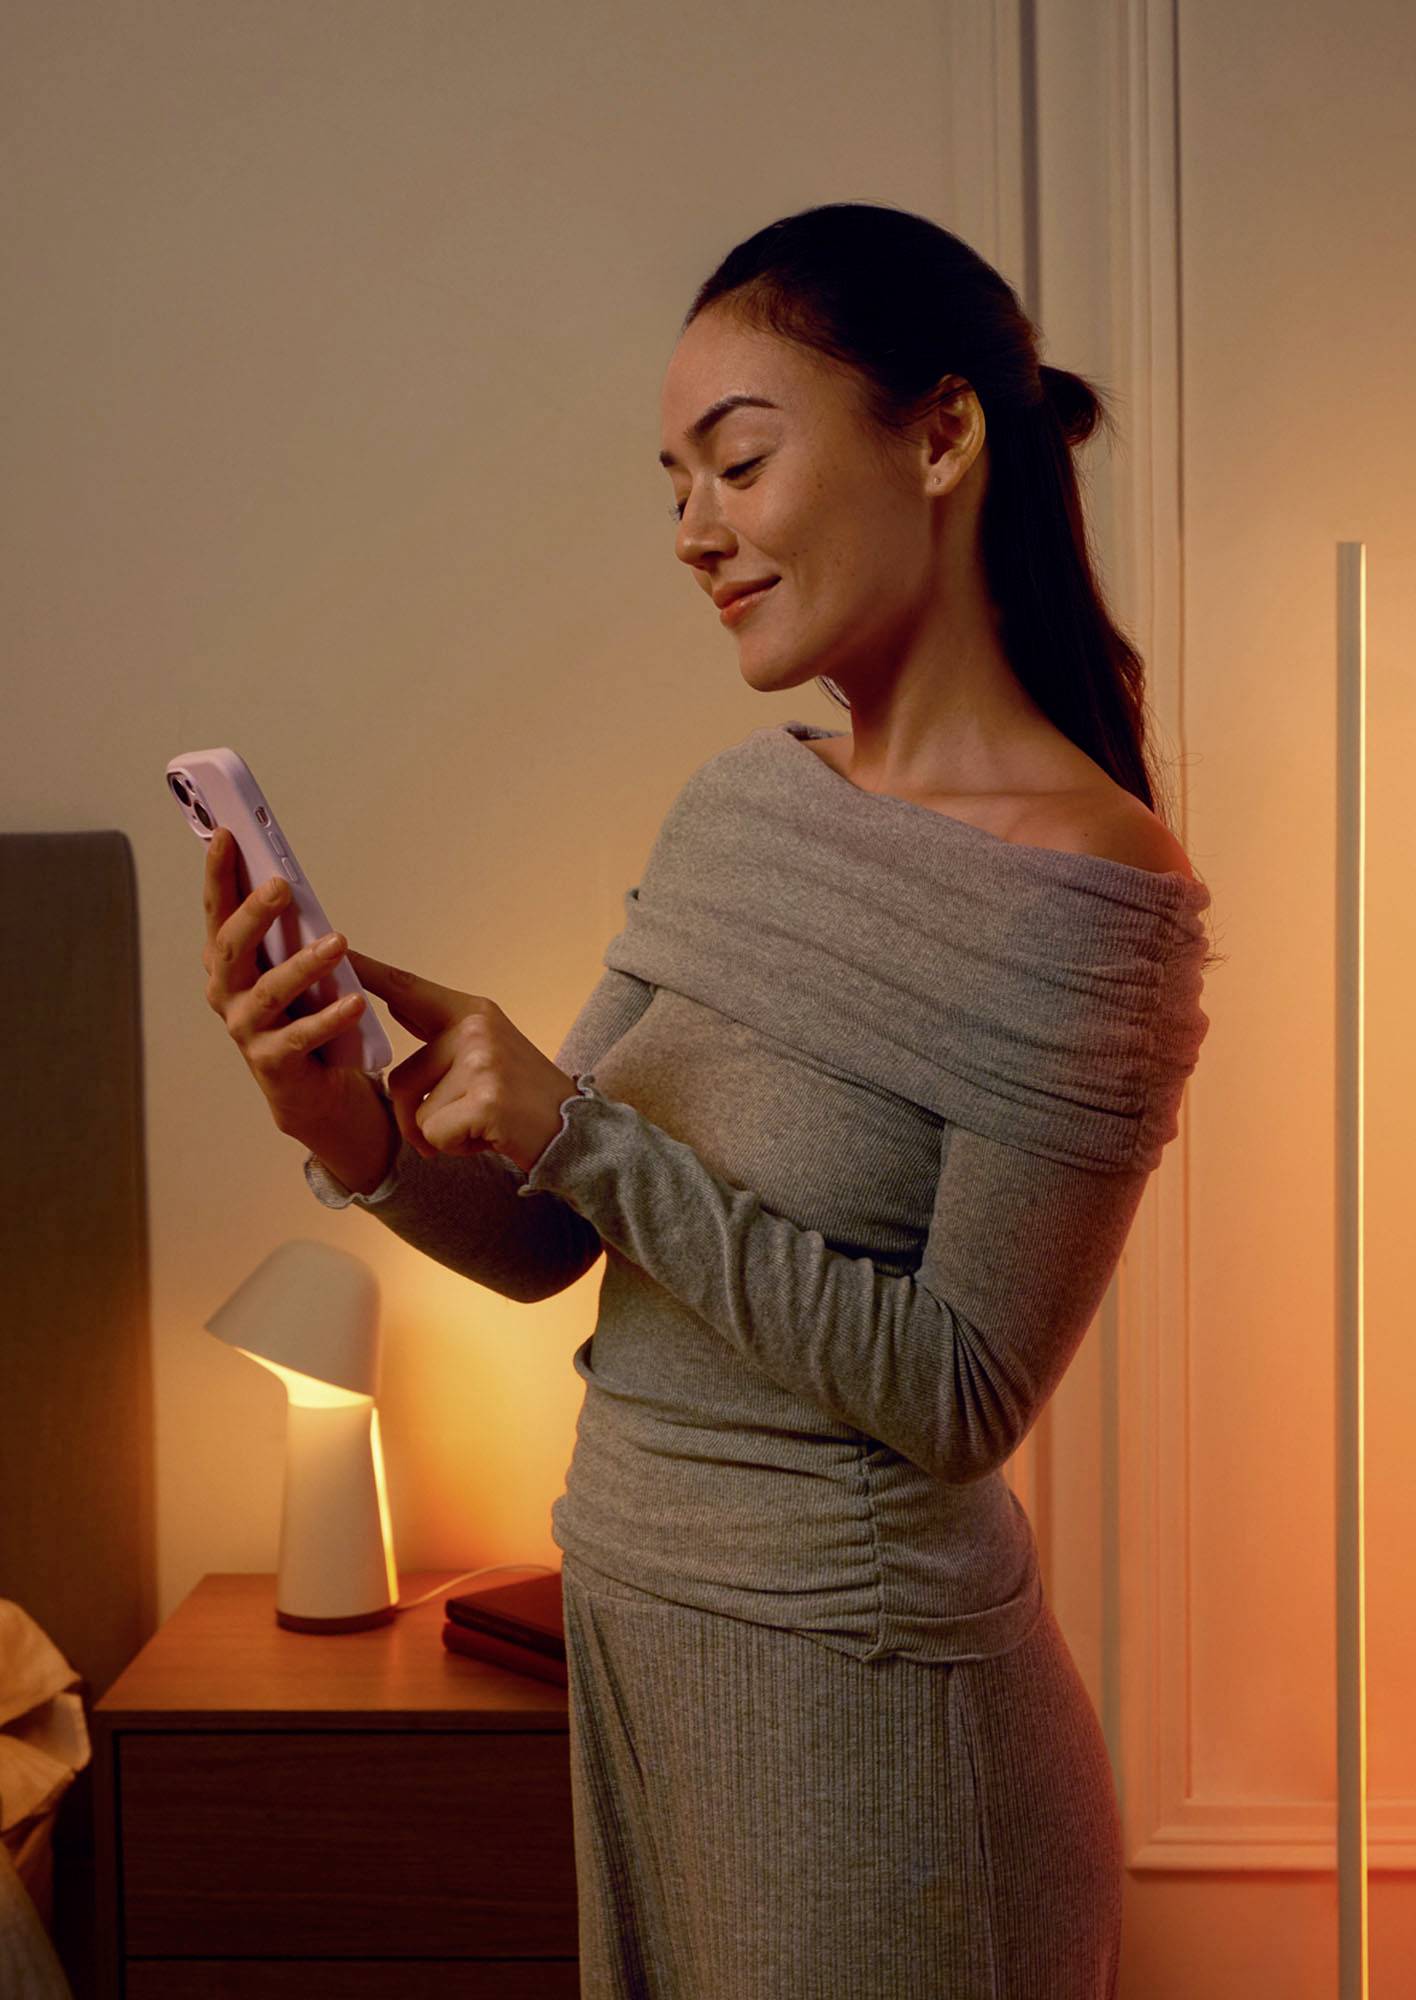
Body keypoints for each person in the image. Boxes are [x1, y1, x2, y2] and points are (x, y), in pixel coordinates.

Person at [204, 200, 1219, 1998]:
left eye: (735, 462)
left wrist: (585, 1130)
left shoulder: (1096, 892)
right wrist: (345, 1119)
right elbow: (544, 1245)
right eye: (670, 480)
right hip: (652, 1660)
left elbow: (962, 1392)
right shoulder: (742, 810)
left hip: (875, 1728)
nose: (693, 531)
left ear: (941, 432)